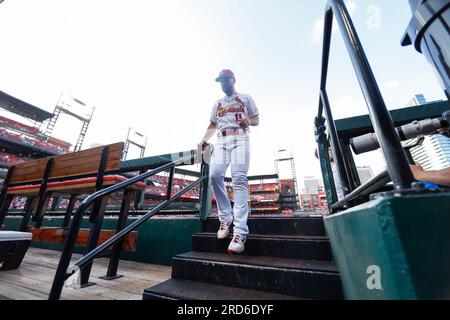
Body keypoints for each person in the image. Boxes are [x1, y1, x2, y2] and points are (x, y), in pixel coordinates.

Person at [198, 69, 259, 254]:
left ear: (233, 79)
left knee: (238, 178)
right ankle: (226, 217)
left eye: (226, 80)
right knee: (215, 176)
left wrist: (248, 121)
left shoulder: (245, 98)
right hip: (222, 140)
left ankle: (240, 232)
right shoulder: (217, 103)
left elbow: (256, 119)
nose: (223, 83)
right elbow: (212, 124)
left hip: (240, 138)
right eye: (221, 81)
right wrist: (204, 139)